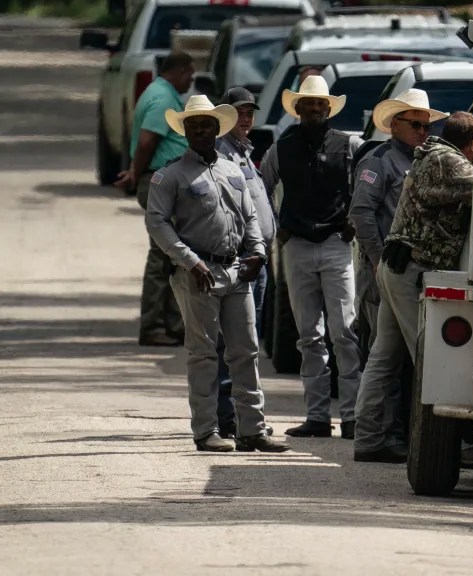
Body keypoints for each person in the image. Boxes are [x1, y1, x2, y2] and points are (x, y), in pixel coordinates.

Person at [144, 94, 290, 454]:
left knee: (246, 351)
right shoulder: (169, 175)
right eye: (192, 125)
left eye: (205, 124)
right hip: (197, 274)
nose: (199, 130)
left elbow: (250, 215)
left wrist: (257, 251)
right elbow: (157, 222)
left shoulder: (232, 169)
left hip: (237, 270)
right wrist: (189, 260)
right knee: (203, 354)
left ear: (216, 127)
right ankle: (206, 430)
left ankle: (252, 429)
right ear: (185, 130)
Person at [354, 112, 473, 463]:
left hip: (400, 266)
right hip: (412, 268)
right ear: (470, 144)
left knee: (383, 357)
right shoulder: (446, 160)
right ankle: (444, 443)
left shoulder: (432, 156)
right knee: (429, 358)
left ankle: (368, 437)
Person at [260, 74, 362, 439]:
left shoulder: (350, 145)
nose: (316, 108)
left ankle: (352, 417)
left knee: (345, 333)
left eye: (321, 103)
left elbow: (367, 182)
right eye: (309, 104)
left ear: (329, 108)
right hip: (298, 247)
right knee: (309, 336)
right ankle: (317, 417)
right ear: (298, 109)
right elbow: (261, 188)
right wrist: (276, 227)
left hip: (337, 244)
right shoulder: (280, 148)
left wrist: (355, 218)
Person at [349, 89, 448, 351]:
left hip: (407, 271)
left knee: (395, 354)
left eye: (427, 125)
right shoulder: (378, 161)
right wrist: (378, 259)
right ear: (394, 125)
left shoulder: (423, 161)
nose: (422, 131)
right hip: (381, 267)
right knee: (378, 348)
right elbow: (361, 212)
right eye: (415, 124)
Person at [115, 52, 195, 347]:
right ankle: (154, 326)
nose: (191, 79)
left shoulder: (161, 93)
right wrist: (136, 173)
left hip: (164, 180)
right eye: (189, 73)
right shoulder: (162, 97)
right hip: (161, 183)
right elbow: (148, 140)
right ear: (176, 71)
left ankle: (174, 325)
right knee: (164, 255)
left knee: (173, 255)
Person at [213, 87, 276, 438]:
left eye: (251, 112)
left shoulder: (244, 153)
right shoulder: (222, 154)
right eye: (240, 112)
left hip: (257, 260)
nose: (247, 118)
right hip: (240, 261)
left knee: (248, 345)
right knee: (232, 345)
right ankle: (230, 419)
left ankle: (244, 418)